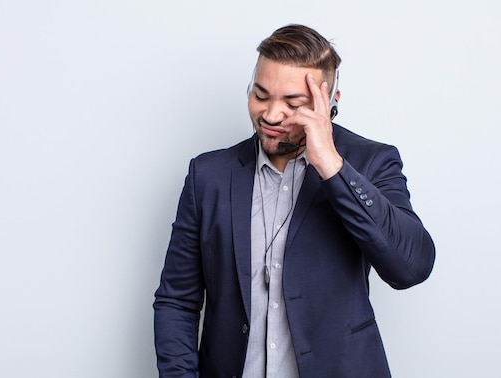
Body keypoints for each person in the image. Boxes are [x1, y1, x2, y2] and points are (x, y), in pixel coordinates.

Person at [153, 24, 435, 378]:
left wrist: (332, 166)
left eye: (293, 104)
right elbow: (177, 299)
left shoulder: (371, 163)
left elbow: (411, 267)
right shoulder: (208, 175)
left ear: (330, 102)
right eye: (260, 95)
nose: (271, 116)